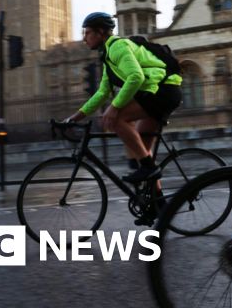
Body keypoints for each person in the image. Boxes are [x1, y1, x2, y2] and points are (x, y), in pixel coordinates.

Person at [67, 12, 183, 199]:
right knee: (141, 152)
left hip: (162, 91)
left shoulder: (117, 47)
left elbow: (136, 76)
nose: (84, 38)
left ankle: (148, 168)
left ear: (101, 32)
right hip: (158, 93)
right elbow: (102, 92)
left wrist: (114, 107)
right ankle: (158, 205)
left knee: (117, 118)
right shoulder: (108, 58)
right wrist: (75, 117)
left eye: (88, 32)